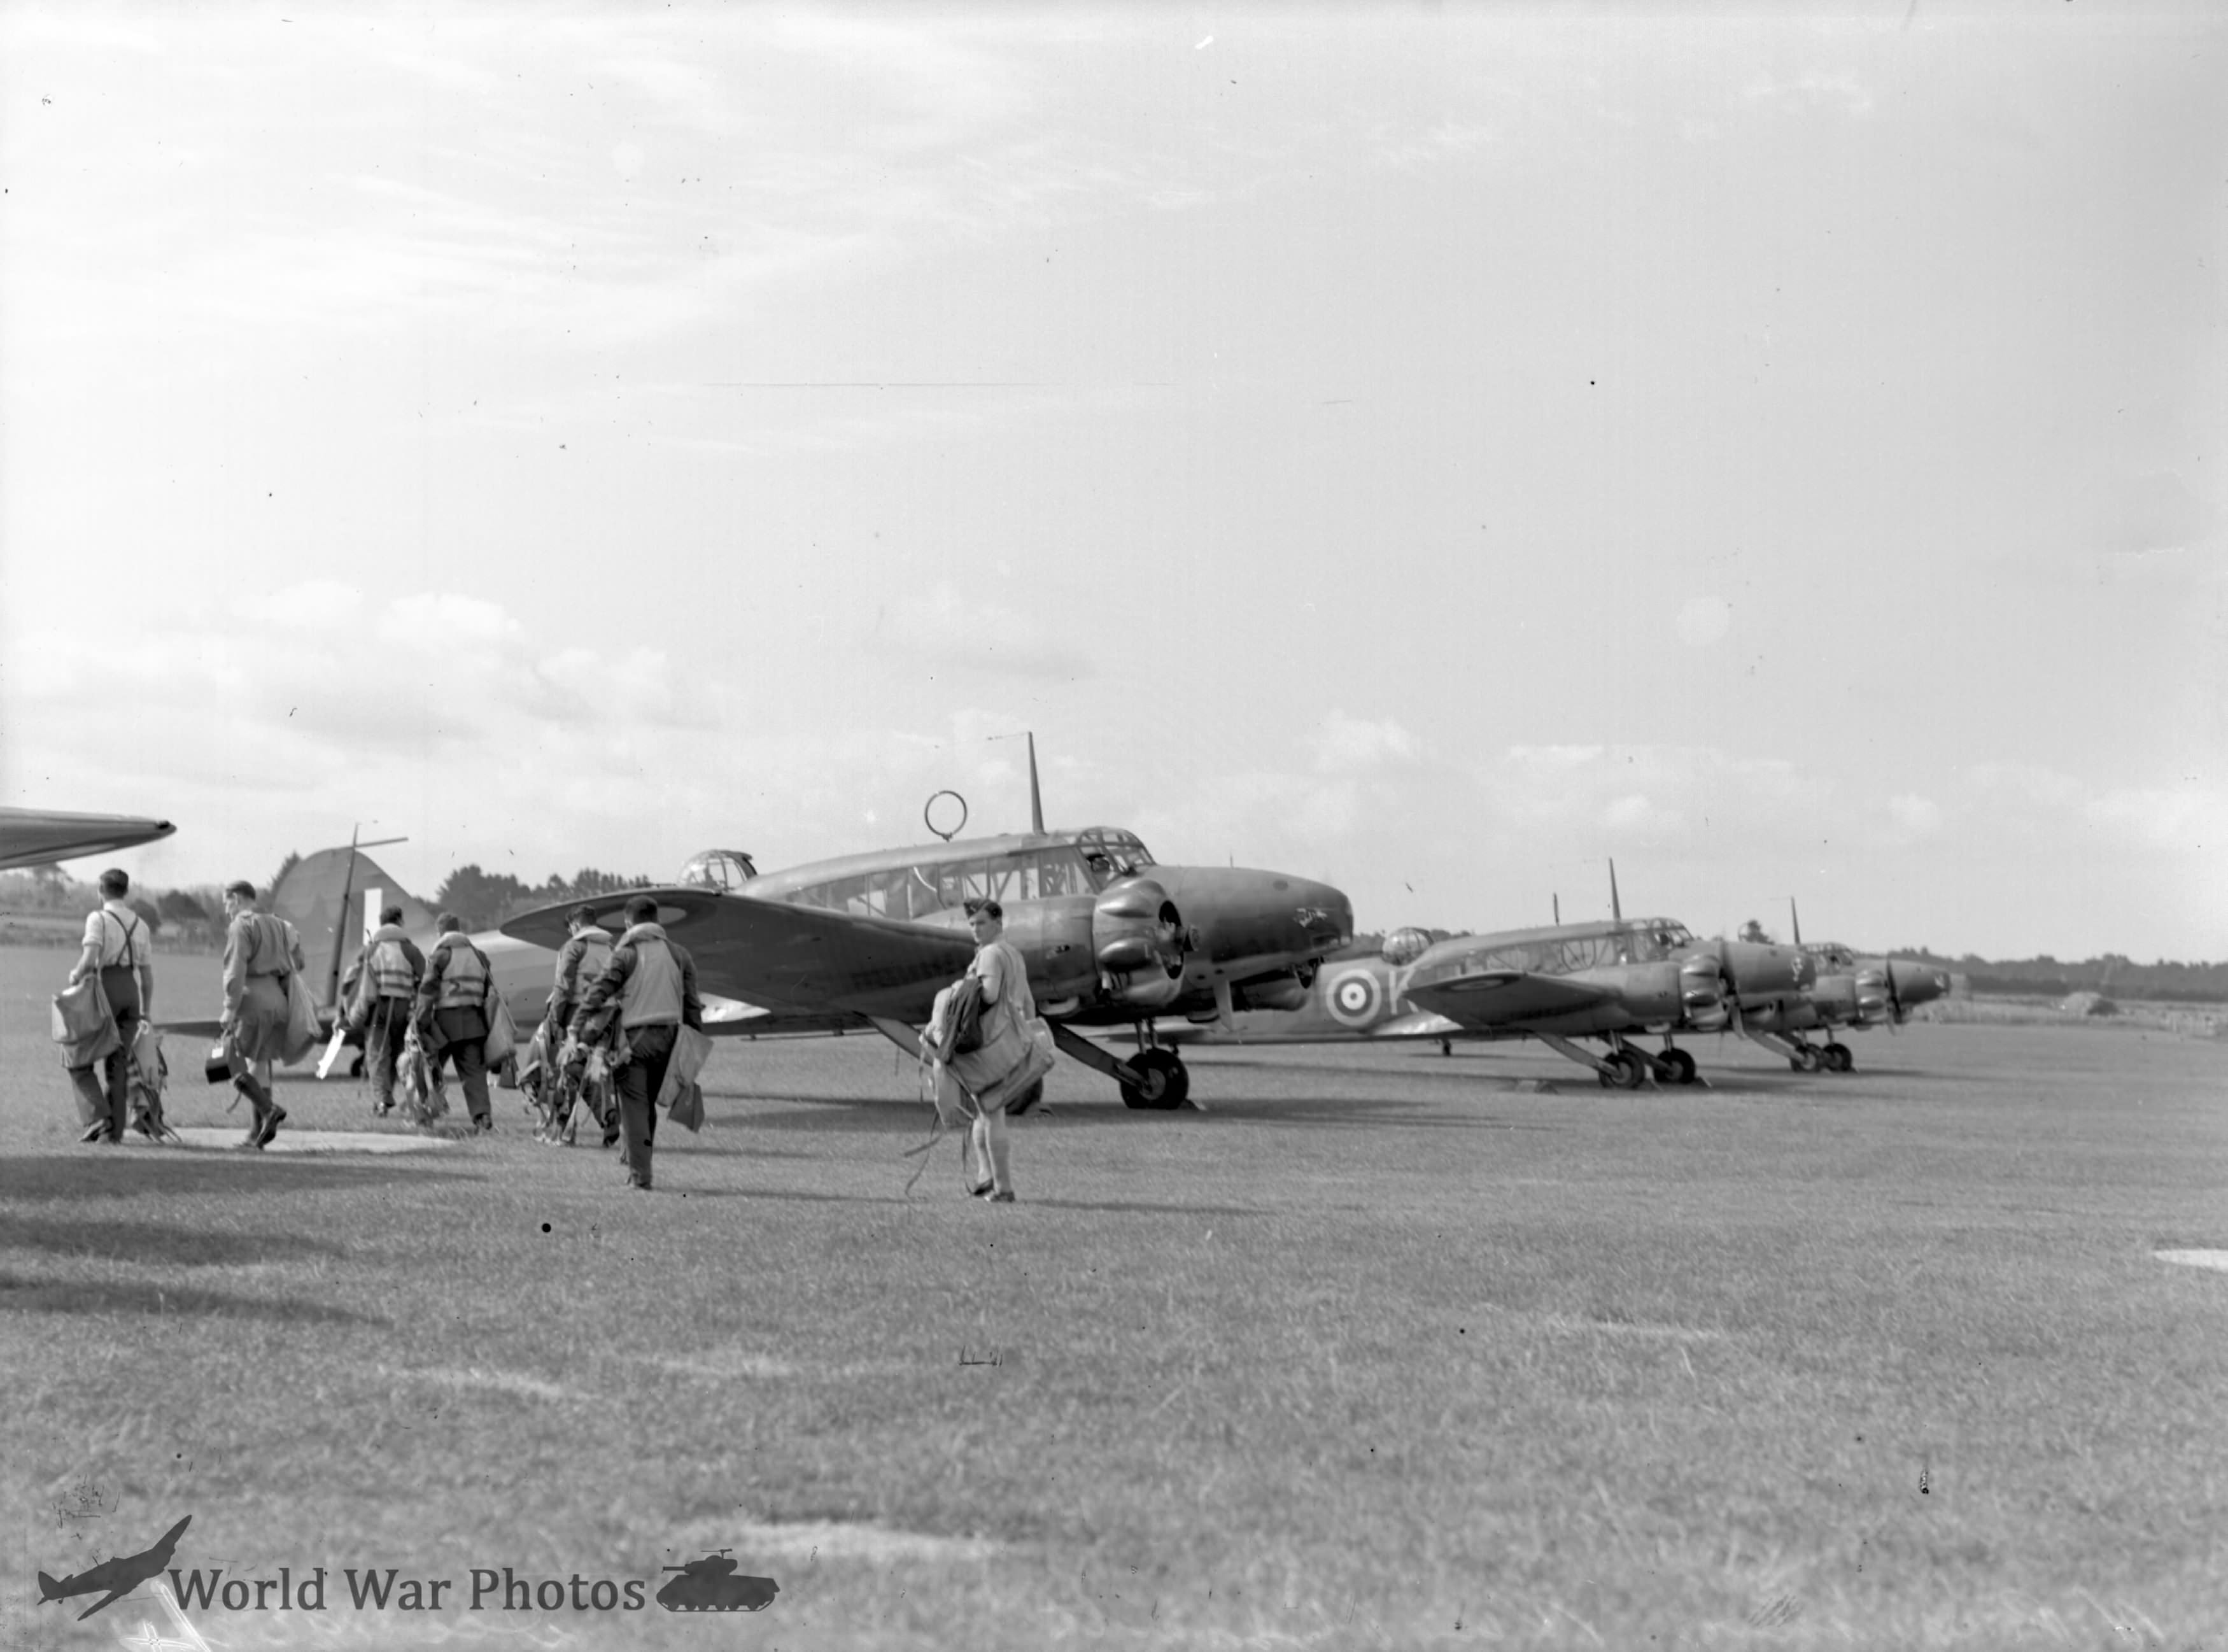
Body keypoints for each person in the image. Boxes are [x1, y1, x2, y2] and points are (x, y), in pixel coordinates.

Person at [568, 894, 703, 1190]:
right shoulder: (679, 954)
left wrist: (577, 1027)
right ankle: (636, 1162)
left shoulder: (625, 954)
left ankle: (640, 1177)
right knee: (647, 1108)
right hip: (670, 1040)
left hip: (632, 1041)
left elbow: (598, 994)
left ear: (628, 922)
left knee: (634, 1108)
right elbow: (692, 1005)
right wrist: (693, 1045)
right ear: (657, 920)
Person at [65, 869, 155, 1144]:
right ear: (125, 891)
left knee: (77, 1059)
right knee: (118, 1066)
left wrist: (75, 976)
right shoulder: (141, 924)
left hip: (104, 991)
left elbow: (90, 957)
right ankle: (113, 1135)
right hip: (131, 993)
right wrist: (146, 1012)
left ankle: (96, 1117)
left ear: (100, 890)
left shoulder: (98, 919)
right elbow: (148, 977)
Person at [220, 879, 306, 1150]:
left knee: (233, 1065)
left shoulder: (241, 925)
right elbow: (299, 962)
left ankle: (270, 1111)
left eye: (226, 903)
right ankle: (257, 1134)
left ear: (235, 898)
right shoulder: (279, 924)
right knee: (260, 1068)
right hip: (279, 1000)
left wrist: (229, 1008)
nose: (226, 910)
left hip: (252, 1000)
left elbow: (235, 971)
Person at [962, 897, 1035, 1203]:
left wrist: (960, 990)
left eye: (981, 923)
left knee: (991, 1113)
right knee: (984, 1111)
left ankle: (1003, 1188)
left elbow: (988, 995)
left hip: (991, 1042)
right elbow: (1029, 1003)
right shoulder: (1014, 954)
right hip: (1013, 1040)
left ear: (998, 923)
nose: (975, 929)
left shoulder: (991, 954)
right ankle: (985, 1177)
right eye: (971, 924)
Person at [414, 913, 496, 1133]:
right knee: (474, 1073)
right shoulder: (480, 956)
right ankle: (482, 1116)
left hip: (444, 1026)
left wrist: (420, 1022)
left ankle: (424, 1116)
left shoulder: (440, 956)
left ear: (440, 932)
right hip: (474, 1023)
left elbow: (427, 991)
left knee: (426, 1068)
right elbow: (489, 991)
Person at [540, 906, 614, 1143]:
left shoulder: (573, 948)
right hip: (606, 1019)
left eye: (570, 926)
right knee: (590, 1074)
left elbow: (563, 988)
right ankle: (610, 1118)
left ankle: (564, 1133)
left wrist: (554, 1020)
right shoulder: (610, 950)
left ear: (576, 925)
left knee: (567, 1074)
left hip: (577, 1018)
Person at [348, 905, 424, 1117]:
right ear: (399, 922)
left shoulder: (370, 949)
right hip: (404, 1010)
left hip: (378, 1011)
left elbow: (351, 980)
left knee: (377, 1054)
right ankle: (394, 1098)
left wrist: (347, 1012)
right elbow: (425, 981)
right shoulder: (412, 951)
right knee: (398, 1055)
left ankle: (382, 1101)